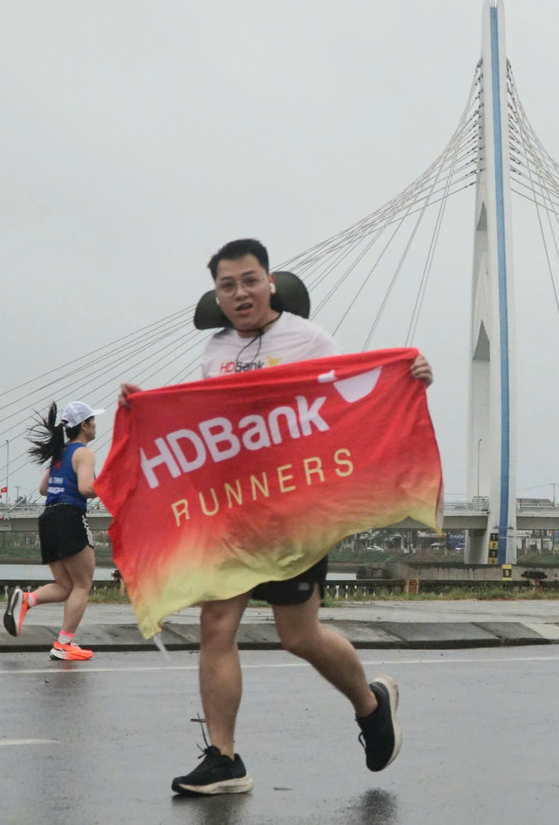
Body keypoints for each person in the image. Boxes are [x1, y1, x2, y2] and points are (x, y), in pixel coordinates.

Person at [119, 238, 434, 796]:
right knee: (216, 626)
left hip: (291, 512)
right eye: (227, 285)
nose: (240, 293)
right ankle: (224, 759)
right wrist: (149, 407)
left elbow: (350, 393)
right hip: (230, 513)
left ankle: (371, 703)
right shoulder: (214, 350)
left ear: (270, 282)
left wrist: (407, 377)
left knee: (298, 634)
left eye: (249, 280)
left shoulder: (308, 339)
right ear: (215, 294)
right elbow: (209, 422)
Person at [2, 400, 102, 661]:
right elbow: (86, 489)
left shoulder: (60, 452)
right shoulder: (84, 453)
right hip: (70, 516)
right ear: (84, 425)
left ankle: (27, 600)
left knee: (66, 585)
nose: (96, 425)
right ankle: (63, 644)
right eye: (93, 420)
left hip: (48, 518)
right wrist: (115, 485)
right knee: (83, 584)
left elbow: (44, 489)